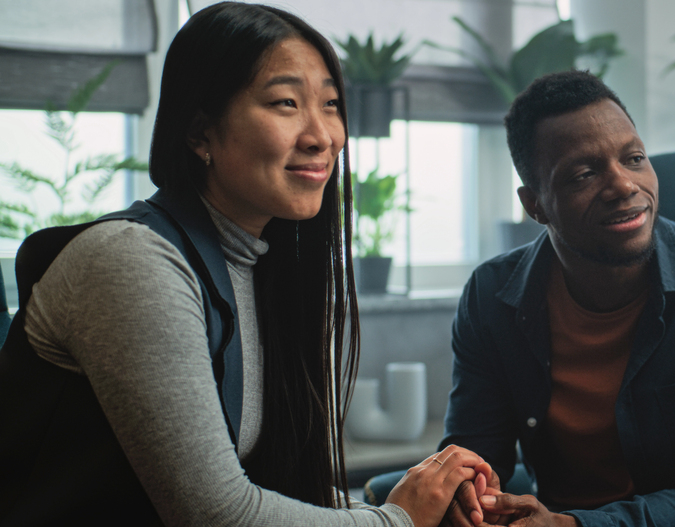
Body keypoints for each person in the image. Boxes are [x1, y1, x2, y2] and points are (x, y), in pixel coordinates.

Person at [0, 3, 489, 526]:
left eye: (329, 102)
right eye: (285, 102)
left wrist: (422, 506)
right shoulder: (134, 261)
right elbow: (219, 516)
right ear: (199, 133)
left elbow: (270, 487)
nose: (322, 135)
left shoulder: (261, 269)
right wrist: (397, 520)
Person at [439, 71, 675, 527]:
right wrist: (466, 501)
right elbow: (473, 455)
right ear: (536, 205)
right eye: (584, 174)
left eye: (633, 158)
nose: (624, 185)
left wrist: (574, 526)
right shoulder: (492, 298)